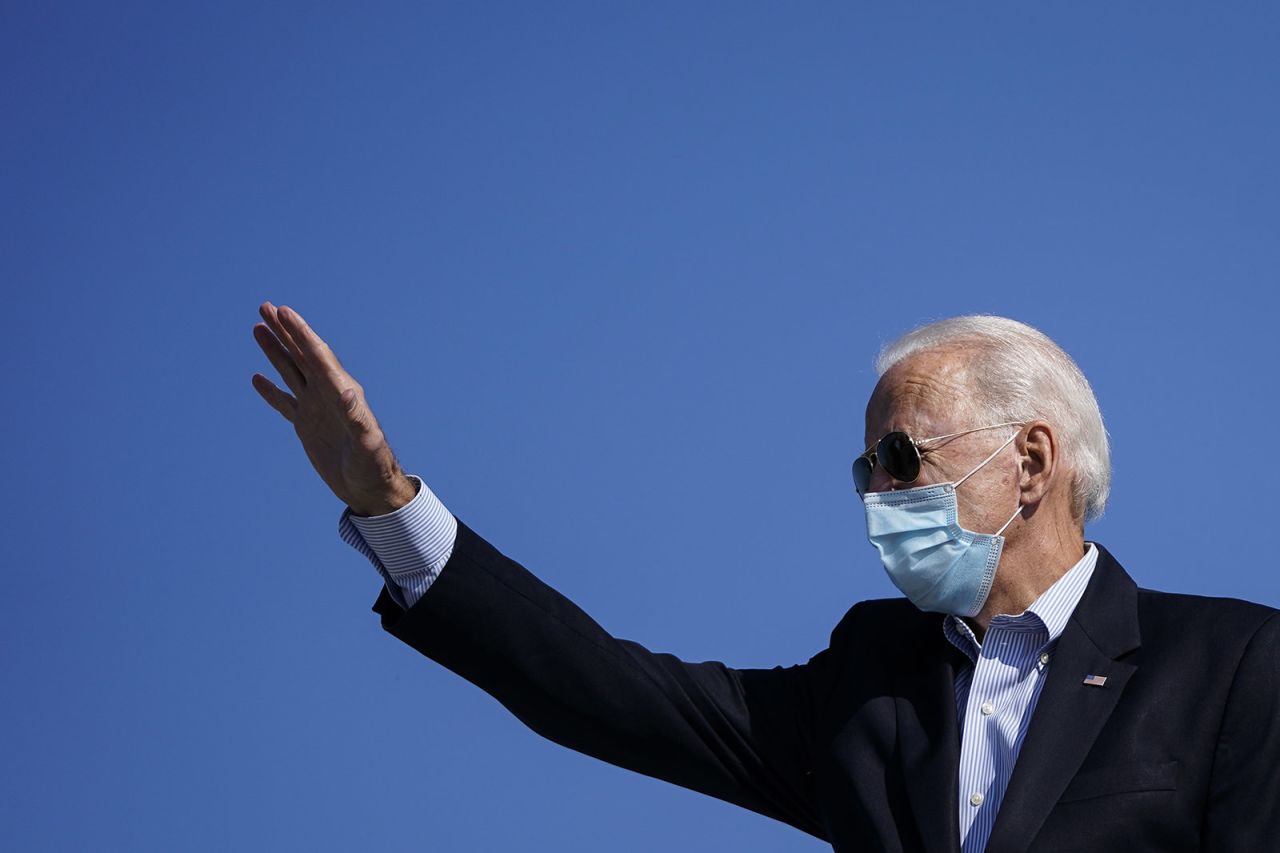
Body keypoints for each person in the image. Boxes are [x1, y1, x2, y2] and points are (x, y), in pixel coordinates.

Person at [251, 303, 1279, 852]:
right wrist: (390, 506)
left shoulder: (1230, 665)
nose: (875, 494)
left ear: (1029, 461)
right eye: (862, 470)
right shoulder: (869, 687)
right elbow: (610, 692)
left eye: (899, 460)